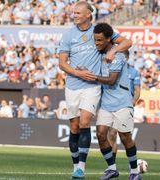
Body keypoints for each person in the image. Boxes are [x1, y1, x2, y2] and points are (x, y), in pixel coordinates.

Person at [58, 1, 132, 179]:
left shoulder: (99, 31)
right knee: (74, 127)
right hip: (73, 85)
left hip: (92, 87)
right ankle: (75, 165)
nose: (74, 15)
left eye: (77, 13)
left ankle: (81, 168)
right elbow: (62, 63)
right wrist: (78, 73)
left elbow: (127, 42)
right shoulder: (68, 35)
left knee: (84, 123)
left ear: (88, 15)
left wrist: (113, 51)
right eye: (74, 13)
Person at [89, 22, 141, 180]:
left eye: (99, 40)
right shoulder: (99, 55)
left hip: (122, 103)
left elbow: (111, 81)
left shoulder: (117, 56)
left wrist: (93, 76)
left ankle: (134, 172)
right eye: (95, 40)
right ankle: (112, 169)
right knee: (100, 134)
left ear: (108, 40)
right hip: (106, 104)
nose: (96, 43)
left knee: (125, 138)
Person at [108, 50, 141, 160]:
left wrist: (134, 100)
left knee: (126, 137)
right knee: (112, 134)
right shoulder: (111, 69)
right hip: (113, 105)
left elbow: (137, 90)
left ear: (126, 58)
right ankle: (112, 166)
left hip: (126, 105)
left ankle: (133, 162)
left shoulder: (133, 72)